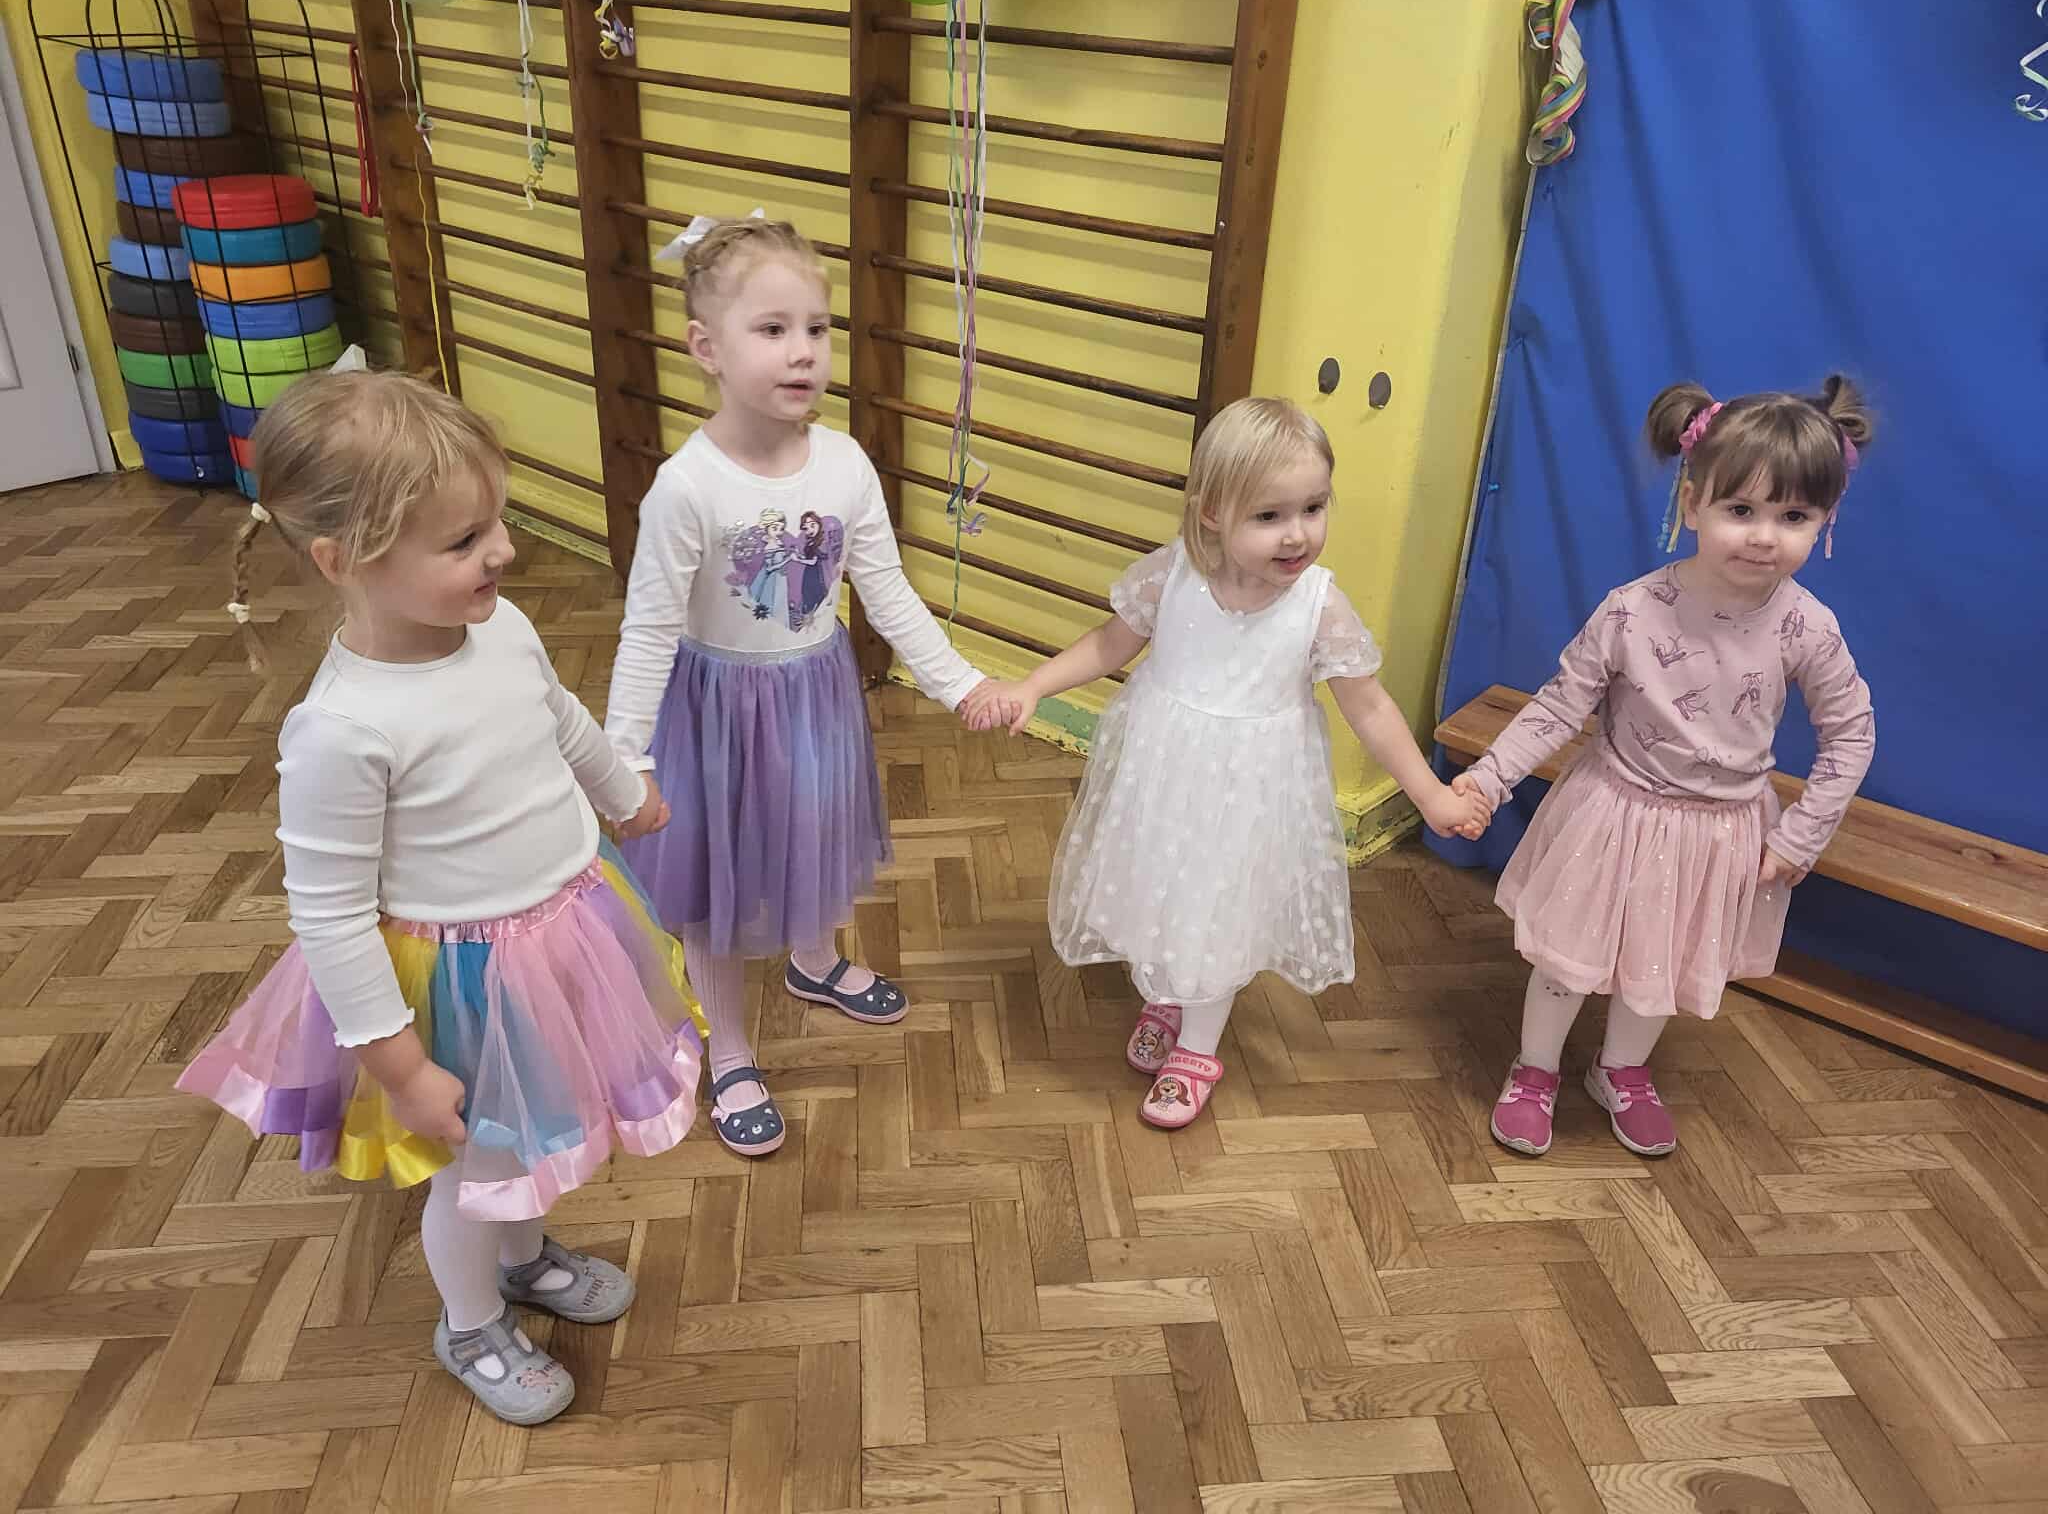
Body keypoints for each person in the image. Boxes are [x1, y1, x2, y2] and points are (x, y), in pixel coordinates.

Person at [177, 371, 704, 1426]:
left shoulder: (501, 628)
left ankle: (522, 1257)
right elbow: (328, 917)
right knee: (478, 1162)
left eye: (495, 521)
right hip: (460, 984)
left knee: (532, 1136)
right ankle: (471, 1321)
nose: (502, 550)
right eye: (465, 540)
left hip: (567, 932)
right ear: (343, 562)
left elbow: (558, 717)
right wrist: (403, 1068)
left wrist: (620, 793)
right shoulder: (343, 730)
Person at [970, 397, 1489, 1128]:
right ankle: (1168, 992)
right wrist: (1032, 686)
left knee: (1217, 907)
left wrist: (1431, 794)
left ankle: (1197, 1048)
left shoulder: (1318, 606)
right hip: (1164, 772)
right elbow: (1110, 644)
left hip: (1250, 790)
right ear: (1212, 512)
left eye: (1313, 507)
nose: (1297, 534)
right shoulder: (1174, 575)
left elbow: (1369, 708)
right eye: (1270, 515)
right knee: (1162, 886)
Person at [607, 213, 1002, 1156]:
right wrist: (623, 759)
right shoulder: (686, 488)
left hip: (815, 695)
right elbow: (648, 630)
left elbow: (887, 590)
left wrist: (958, 683)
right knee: (718, 880)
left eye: (818, 329)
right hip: (716, 714)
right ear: (705, 347)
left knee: (814, 836)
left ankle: (814, 961)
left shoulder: (845, 463)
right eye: (773, 329)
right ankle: (731, 1049)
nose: (803, 352)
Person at [1455, 376, 1876, 1158]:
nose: (1763, 536)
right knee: (1566, 961)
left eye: (1793, 517)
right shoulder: (1631, 610)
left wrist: (1802, 835)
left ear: (1826, 522)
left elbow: (1851, 733)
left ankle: (1619, 1070)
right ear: (1691, 504)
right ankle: (1536, 1068)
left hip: (1719, 834)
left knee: (1661, 962)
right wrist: (1488, 778)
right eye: (1741, 509)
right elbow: (1558, 706)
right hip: (1613, 812)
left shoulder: (1807, 627)